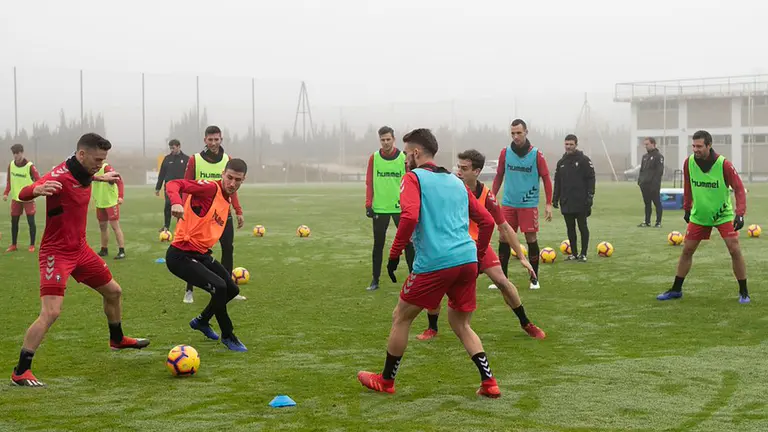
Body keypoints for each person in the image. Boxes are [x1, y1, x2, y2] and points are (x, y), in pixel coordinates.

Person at [357, 128, 501, 398]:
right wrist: (478, 257)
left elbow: (409, 216)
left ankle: (386, 381)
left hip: (436, 262)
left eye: (405, 153)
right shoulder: (457, 182)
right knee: (461, 324)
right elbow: (487, 221)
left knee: (401, 316)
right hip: (466, 260)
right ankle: (489, 382)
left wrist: (394, 254)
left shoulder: (413, 178)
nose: (404, 158)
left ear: (415, 152)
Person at [10, 133, 150, 387]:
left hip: (81, 250)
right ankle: (21, 370)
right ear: (82, 154)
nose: (101, 163)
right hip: (56, 253)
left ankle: (116, 339)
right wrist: (37, 189)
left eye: (104, 160)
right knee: (51, 312)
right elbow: (23, 191)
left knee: (114, 292)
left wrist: (99, 176)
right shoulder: (58, 175)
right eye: (98, 160)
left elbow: (82, 176)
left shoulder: (82, 169)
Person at [416, 149, 546, 341]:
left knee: (503, 282)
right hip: (453, 245)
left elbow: (505, 227)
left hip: (479, 246)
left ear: (477, 172)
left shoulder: (486, 194)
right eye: (458, 167)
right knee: (440, 284)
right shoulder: (450, 187)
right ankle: (432, 328)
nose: (459, 171)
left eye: (464, 168)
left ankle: (526, 323)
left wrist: (522, 258)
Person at [164, 158, 249, 352]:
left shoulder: (226, 199)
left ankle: (201, 321)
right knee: (219, 287)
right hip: (180, 255)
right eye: (229, 178)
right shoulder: (210, 189)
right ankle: (228, 335)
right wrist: (176, 202)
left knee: (232, 289)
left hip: (200, 254)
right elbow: (173, 183)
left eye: (238, 180)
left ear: (243, 180)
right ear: (223, 174)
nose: (232, 183)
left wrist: (239, 211)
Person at [656, 130, 749, 303]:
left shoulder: (724, 164)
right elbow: (688, 185)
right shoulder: (689, 163)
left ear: (709, 145)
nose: (695, 150)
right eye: (693, 146)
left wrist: (740, 214)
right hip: (699, 215)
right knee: (687, 250)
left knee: (734, 249)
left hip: (722, 214)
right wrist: (687, 207)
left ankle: (744, 292)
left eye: (699, 146)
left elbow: (738, 188)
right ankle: (676, 290)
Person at [182, 126, 246, 303]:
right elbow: (186, 185)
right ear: (205, 140)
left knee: (228, 248)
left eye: (216, 139)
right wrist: (183, 208)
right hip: (200, 213)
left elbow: (232, 188)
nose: (213, 143)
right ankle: (189, 290)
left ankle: (229, 290)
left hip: (223, 212)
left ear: (221, 139)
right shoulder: (195, 160)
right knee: (193, 251)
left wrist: (238, 210)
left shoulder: (228, 160)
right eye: (210, 140)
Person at [491, 119, 553, 290]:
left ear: (526, 132)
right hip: (508, 203)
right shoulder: (505, 153)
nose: (516, 136)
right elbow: (498, 176)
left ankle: (534, 279)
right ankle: (501, 279)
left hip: (528, 204)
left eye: (519, 133)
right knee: (504, 238)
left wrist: (548, 203)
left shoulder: (536, 154)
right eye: (513, 133)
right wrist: (491, 195)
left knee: (530, 239)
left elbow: (547, 178)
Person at [364, 126, 415, 291]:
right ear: (380, 140)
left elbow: (410, 182)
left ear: (394, 139)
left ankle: (413, 279)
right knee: (378, 244)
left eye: (388, 139)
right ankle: (375, 280)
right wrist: (368, 204)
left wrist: (410, 204)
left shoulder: (403, 158)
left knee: (408, 243)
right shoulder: (374, 158)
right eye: (382, 140)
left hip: (401, 208)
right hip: (380, 208)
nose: (385, 142)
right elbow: (369, 182)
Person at [553, 134, 596, 262]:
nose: (569, 147)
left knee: (582, 226)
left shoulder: (584, 160)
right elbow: (558, 182)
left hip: (581, 201)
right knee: (570, 228)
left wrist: (590, 195)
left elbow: (591, 178)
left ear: (576, 145)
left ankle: (583, 253)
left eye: (571, 144)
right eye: (566, 144)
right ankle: (574, 253)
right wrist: (555, 198)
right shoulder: (561, 162)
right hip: (566, 201)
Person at [3, 144, 41, 253]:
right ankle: (14, 245)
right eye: (14, 153)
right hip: (16, 199)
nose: (15, 156)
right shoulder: (11, 165)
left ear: (22, 153)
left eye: (17, 153)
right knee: (14, 222)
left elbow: (39, 180)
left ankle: (32, 245)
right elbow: (9, 181)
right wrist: (6, 192)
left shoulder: (30, 166)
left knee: (31, 222)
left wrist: (37, 190)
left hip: (28, 199)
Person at [92, 161, 126, 260]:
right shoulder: (91, 169)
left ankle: (121, 250)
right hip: (100, 202)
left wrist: (120, 196)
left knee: (115, 226)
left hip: (110, 202)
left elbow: (119, 180)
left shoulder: (106, 168)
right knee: (102, 226)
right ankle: (104, 249)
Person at [155, 139, 189, 232]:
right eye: (170, 148)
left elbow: (190, 174)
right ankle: (166, 226)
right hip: (169, 187)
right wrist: (158, 188)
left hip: (182, 188)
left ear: (178, 146)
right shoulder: (167, 159)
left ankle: (180, 227)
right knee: (167, 205)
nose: (172, 150)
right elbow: (162, 174)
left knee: (181, 207)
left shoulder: (187, 159)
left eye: (173, 148)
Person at [637, 137, 664, 228]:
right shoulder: (645, 157)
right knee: (647, 203)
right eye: (645, 144)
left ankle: (658, 222)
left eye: (647, 144)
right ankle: (647, 221)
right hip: (644, 185)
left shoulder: (658, 156)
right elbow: (642, 170)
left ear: (653, 144)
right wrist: (640, 181)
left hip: (653, 185)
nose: (646, 146)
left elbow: (659, 171)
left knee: (657, 203)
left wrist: (655, 184)